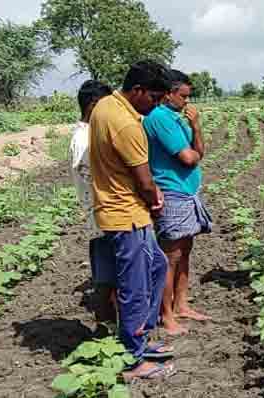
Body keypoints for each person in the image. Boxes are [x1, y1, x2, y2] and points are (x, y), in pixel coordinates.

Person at [89, 60, 175, 380]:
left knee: (157, 267)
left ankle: (139, 337)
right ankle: (132, 359)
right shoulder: (126, 124)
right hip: (127, 216)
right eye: (153, 98)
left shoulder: (105, 105)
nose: (155, 106)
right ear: (137, 91)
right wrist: (156, 201)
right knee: (134, 288)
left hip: (121, 212)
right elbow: (144, 181)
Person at [143, 69, 212, 336]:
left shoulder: (177, 117)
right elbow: (188, 157)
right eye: (183, 96)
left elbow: (200, 153)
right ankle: (166, 314)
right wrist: (194, 139)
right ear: (169, 93)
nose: (187, 102)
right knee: (170, 256)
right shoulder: (160, 118)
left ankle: (181, 305)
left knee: (185, 250)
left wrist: (195, 127)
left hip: (187, 193)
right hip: (171, 193)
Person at [69, 80, 117, 323]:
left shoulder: (87, 134)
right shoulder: (86, 138)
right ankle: (106, 327)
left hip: (101, 215)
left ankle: (109, 325)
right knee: (108, 278)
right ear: (93, 105)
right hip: (103, 216)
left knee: (109, 275)